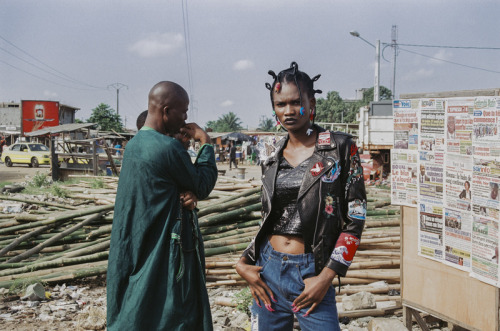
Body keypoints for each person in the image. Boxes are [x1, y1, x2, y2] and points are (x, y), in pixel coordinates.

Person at [235, 62, 366, 330]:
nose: (289, 111)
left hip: (312, 272)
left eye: (296, 102)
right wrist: (244, 263)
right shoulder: (269, 152)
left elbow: (356, 219)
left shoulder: (340, 148)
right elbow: (268, 217)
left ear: (311, 102)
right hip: (268, 271)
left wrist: (326, 277)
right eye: (280, 104)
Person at [107, 81, 218, 330]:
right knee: (171, 308)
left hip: (142, 239)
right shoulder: (167, 148)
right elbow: (202, 184)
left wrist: (181, 194)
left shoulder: (135, 144)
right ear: (167, 111)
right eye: (184, 111)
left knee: (145, 302)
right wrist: (206, 141)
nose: (186, 118)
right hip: (165, 244)